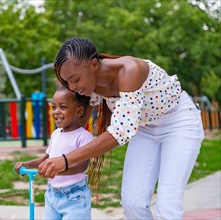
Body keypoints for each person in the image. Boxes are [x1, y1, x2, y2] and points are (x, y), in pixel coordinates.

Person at [38, 37, 204, 219]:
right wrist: (47, 158)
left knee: (168, 204)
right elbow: (75, 127)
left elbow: (120, 131)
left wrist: (65, 160)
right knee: (132, 203)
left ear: (94, 65)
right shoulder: (90, 87)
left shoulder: (131, 70)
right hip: (144, 129)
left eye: (75, 80)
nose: (72, 88)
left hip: (178, 122)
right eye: (67, 82)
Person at [14, 85, 93, 220]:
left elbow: (83, 165)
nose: (56, 111)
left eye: (62, 107)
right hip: (52, 195)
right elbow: (47, 157)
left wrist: (57, 170)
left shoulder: (83, 136)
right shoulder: (56, 134)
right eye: (54, 107)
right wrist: (28, 164)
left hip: (75, 197)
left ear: (79, 111)